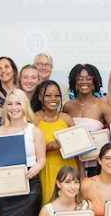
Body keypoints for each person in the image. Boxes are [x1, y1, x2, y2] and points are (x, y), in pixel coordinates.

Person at [63, 64, 111, 178]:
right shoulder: (68, 106)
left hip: (96, 164)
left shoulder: (102, 106)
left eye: (88, 78)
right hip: (72, 164)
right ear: (74, 81)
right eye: (80, 78)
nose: (84, 81)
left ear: (95, 81)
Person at [33, 79, 78, 208]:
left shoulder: (66, 118)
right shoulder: (35, 120)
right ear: (40, 97)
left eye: (57, 95)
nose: (53, 99)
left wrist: (81, 174)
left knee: (70, 208)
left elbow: (78, 149)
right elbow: (28, 151)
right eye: (48, 95)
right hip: (46, 170)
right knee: (49, 209)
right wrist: (47, 148)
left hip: (69, 168)